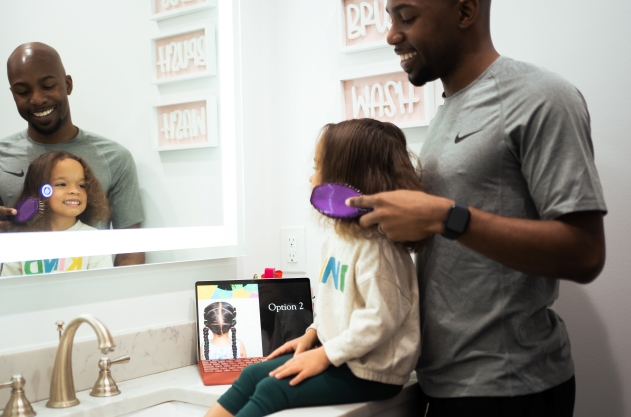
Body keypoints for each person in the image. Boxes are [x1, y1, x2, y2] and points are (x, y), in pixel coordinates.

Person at [345, 1, 607, 415]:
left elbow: (585, 252)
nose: (392, 35)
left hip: (512, 391)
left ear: (465, 12)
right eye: (390, 19)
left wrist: (443, 215)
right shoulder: (447, 112)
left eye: (406, 17)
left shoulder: (542, 97)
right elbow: (461, 246)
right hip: (442, 384)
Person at [205, 119, 421, 417]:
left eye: (318, 167)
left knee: (272, 388)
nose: (311, 178)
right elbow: (334, 304)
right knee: (253, 375)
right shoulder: (337, 239)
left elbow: (381, 320)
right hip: (342, 358)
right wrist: (313, 334)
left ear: (344, 178)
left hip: (374, 373)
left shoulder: (378, 249)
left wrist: (325, 354)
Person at [0, 42, 145, 266]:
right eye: (23, 91)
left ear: (68, 84)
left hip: (91, 295)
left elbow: (130, 252)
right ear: (13, 95)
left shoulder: (115, 158)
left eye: (48, 86)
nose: (37, 99)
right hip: (21, 292)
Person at [0, 151, 113, 276]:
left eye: (81, 185)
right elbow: (8, 288)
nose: (75, 191)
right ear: (39, 190)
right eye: (61, 184)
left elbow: (102, 288)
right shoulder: (21, 241)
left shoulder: (95, 240)